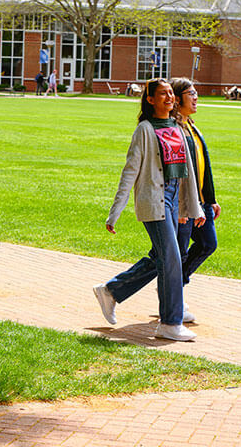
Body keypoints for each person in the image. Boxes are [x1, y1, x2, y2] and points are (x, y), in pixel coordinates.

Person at [93, 78, 221, 327]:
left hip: (178, 200)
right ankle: (171, 320)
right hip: (157, 200)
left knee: (166, 257)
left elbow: (189, 170)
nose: (169, 97)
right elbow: (130, 171)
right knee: (172, 258)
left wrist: (195, 204)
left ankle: (113, 291)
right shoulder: (145, 129)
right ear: (150, 99)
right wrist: (115, 212)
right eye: (163, 94)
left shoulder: (178, 126)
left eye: (171, 93)